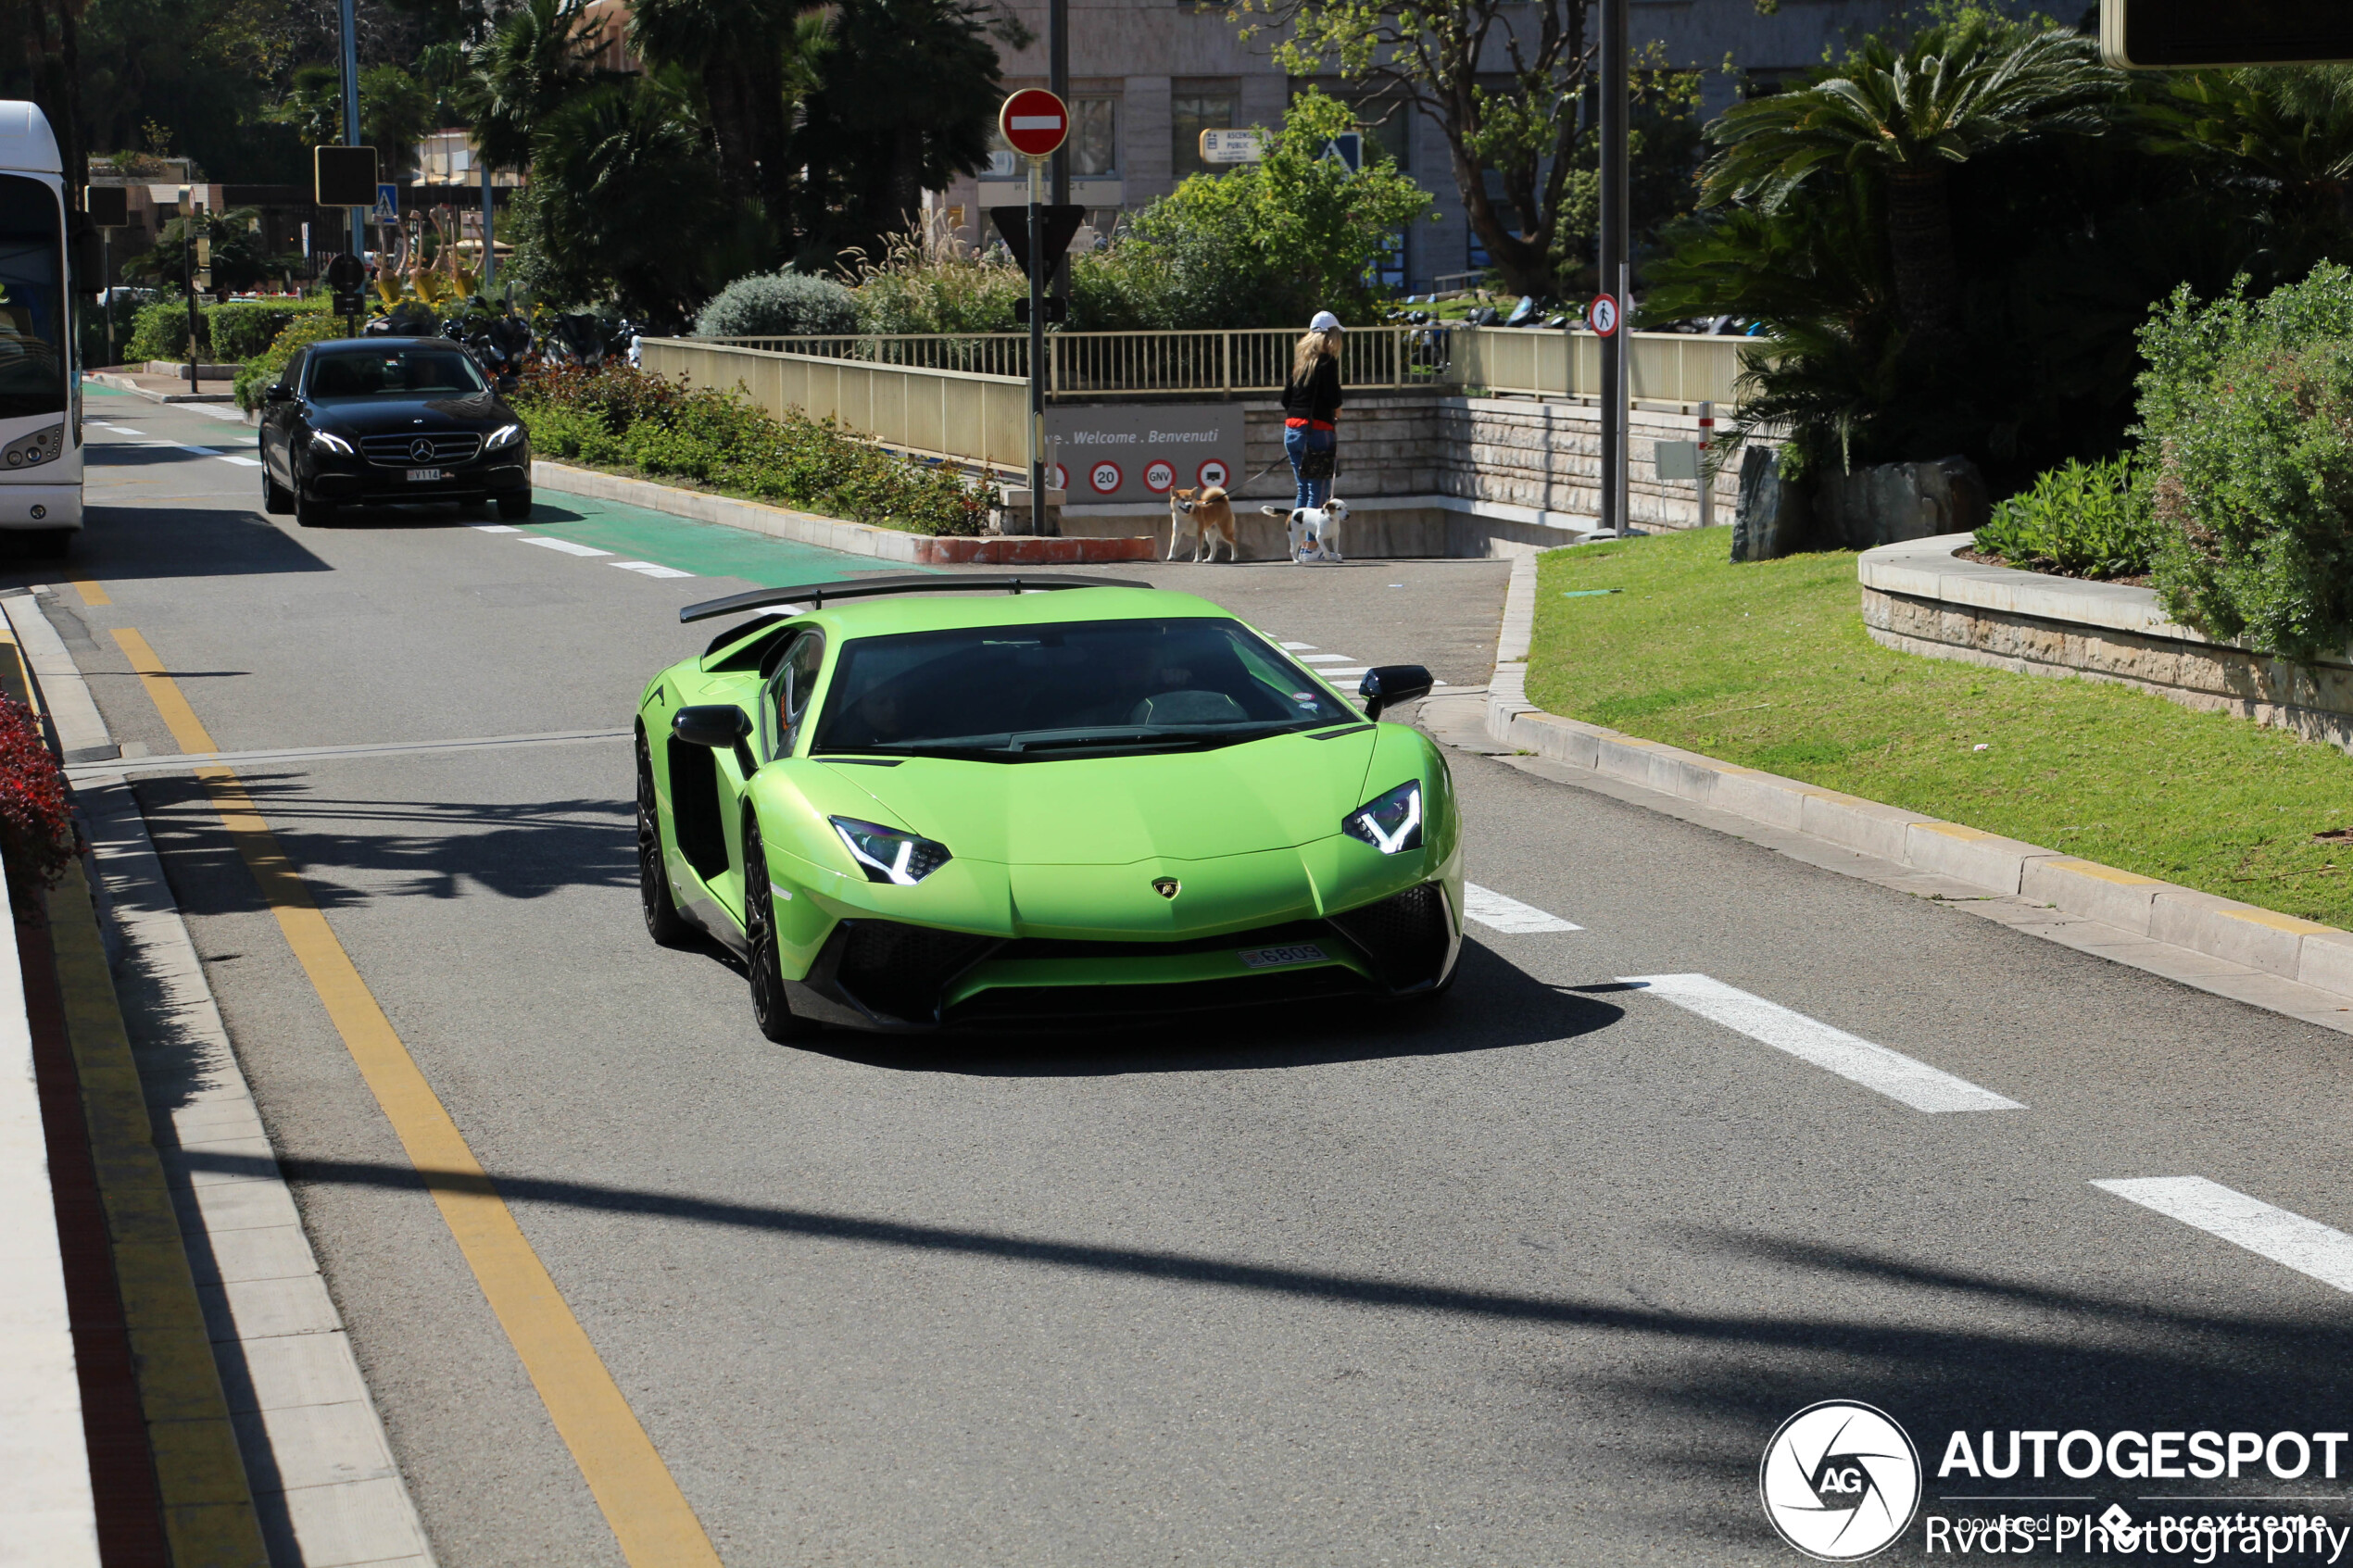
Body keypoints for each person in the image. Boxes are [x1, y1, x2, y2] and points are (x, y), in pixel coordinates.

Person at [1279, 310, 1344, 515]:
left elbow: (1285, 400)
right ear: (1330, 335)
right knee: (1319, 490)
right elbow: (1334, 398)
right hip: (1317, 431)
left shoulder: (1301, 363)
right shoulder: (1327, 362)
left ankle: (1301, 542)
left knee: (1303, 489)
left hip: (1292, 431)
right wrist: (1336, 411)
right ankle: (1311, 543)